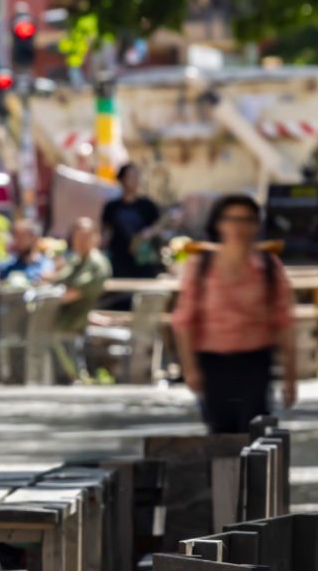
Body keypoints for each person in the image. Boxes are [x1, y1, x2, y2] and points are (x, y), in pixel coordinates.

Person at [172, 194, 298, 433]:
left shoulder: (268, 267)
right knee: (220, 434)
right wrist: (190, 369)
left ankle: (251, 472)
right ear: (219, 224)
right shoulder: (201, 266)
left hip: (255, 361)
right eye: (232, 219)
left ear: (256, 225)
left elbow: (284, 321)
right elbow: (183, 321)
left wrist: (290, 376)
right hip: (213, 362)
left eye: (246, 220)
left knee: (253, 433)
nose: (238, 227)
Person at [48, 218, 113, 336]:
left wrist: (43, 301)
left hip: (72, 330)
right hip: (57, 327)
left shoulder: (97, 264)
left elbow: (74, 293)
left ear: (97, 237)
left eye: (86, 236)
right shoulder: (74, 260)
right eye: (78, 236)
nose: (81, 240)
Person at [100, 163, 163, 280]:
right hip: (119, 259)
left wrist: (149, 232)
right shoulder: (112, 207)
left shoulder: (147, 205)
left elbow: (159, 226)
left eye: (136, 176)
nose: (134, 180)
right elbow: (106, 232)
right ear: (121, 179)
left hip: (143, 260)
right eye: (130, 176)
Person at [0, 217, 50, 283]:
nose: (16, 242)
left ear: (34, 239)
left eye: (21, 237)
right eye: (15, 237)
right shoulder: (8, 264)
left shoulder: (46, 264)